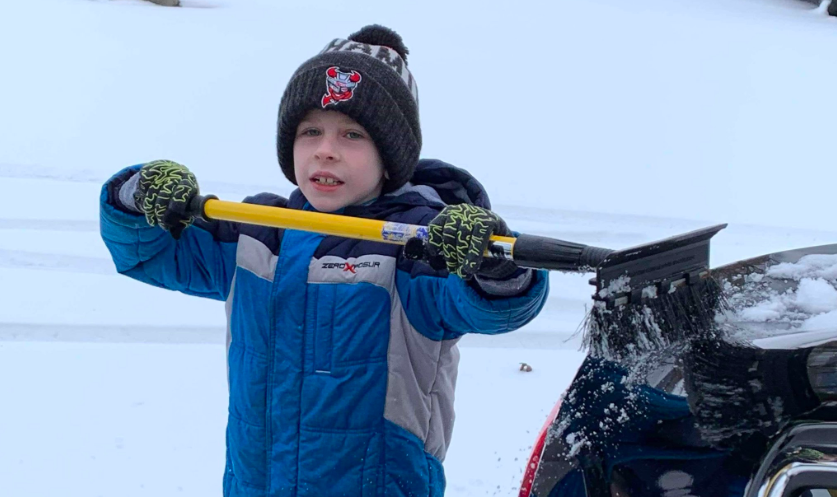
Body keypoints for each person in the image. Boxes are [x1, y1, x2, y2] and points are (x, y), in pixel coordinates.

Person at [99, 24, 549, 497]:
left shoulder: (417, 246)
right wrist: (136, 196)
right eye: (310, 131)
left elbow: (494, 305)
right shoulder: (255, 232)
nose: (325, 150)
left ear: (390, 156)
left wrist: (489, 259)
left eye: (352, 134)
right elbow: (148, 252)